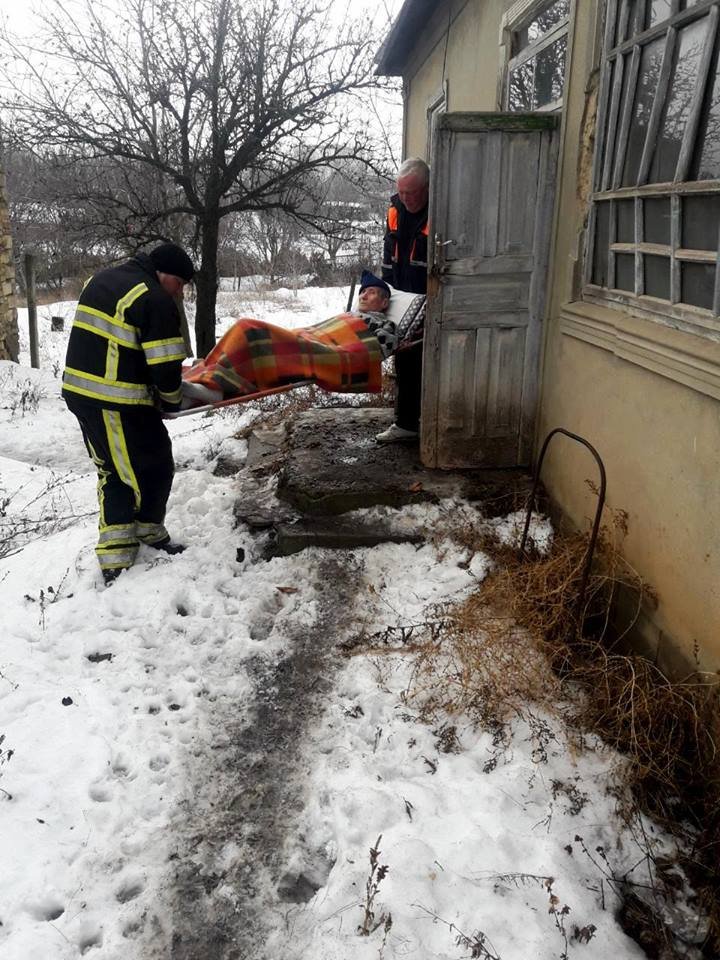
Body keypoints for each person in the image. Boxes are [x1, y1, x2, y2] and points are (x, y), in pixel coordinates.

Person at [62, 242, 194, 585]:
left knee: (142, 461)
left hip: (83, 393)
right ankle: (117, 563)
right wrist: (171, 400)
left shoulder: (104, 278)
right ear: (165, 274)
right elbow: (165, 367)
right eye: (179, 284)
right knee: (127, 474)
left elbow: (117, 344)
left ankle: (145, 532)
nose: (179, 293)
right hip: (113, 400)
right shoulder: (154, 298)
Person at [181, 270, 395, 406]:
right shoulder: (348, 315)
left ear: (384, 303)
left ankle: (212, 385)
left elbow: (376, 352)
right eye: (363, 292)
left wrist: (353, 346)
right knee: (246, 335)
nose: (364, 295)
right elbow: (320, 330)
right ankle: (205, 384)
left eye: (373, 292)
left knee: (250, 331)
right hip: (309, 339)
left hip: (326, 353)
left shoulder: (384, 325)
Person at [377, 157, 430, 444]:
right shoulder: (395, 210)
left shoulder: (438, 212)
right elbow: (389, 256)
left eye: (413, 193)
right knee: (404, 359)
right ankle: (407, 422)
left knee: (423, 362)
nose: (407, 199)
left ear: (427, 188)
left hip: (427, 298)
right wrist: (383, 295)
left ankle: (422, 422)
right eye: (403, 192)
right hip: (399, 296)